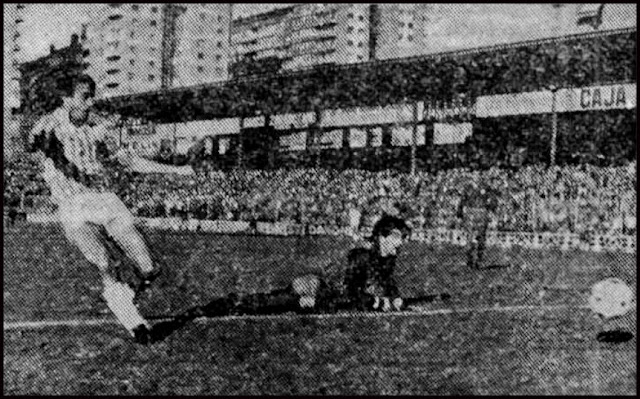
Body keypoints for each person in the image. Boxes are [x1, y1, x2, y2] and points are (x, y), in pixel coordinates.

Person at [28, 73, 194, 345]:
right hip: (72, 206)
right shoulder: (51, 124)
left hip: (104, 200)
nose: (91, 102)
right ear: (67, 98)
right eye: (85, 96)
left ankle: (120, 296)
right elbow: (33, 142)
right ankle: (131, 318)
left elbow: (128, 161)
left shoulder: (99, 128)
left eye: (93, 95)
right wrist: (40, 141)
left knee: (149, 268)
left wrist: (175, 170)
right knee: (106, 261)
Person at [343, 214, 411, 311]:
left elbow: (388, 282)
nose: (400, 242)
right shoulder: (361, 255)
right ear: (381, 237)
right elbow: (349, 291)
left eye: (402, 237)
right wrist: (376, 302)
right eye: (396, 237)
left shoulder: (388, 259)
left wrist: (395, 298)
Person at [457, 176, 501, 269]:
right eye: (474, 173)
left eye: (478, 173)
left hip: (482, 213)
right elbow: (462, 201)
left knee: (481, 238)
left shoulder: (485, 187)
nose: (476, 176)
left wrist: (492, 209)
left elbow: (493, 199)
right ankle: (470, 260)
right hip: (470, 214)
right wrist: (459, 212)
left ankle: (478, 261)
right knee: (469, 238)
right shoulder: (468, 188)